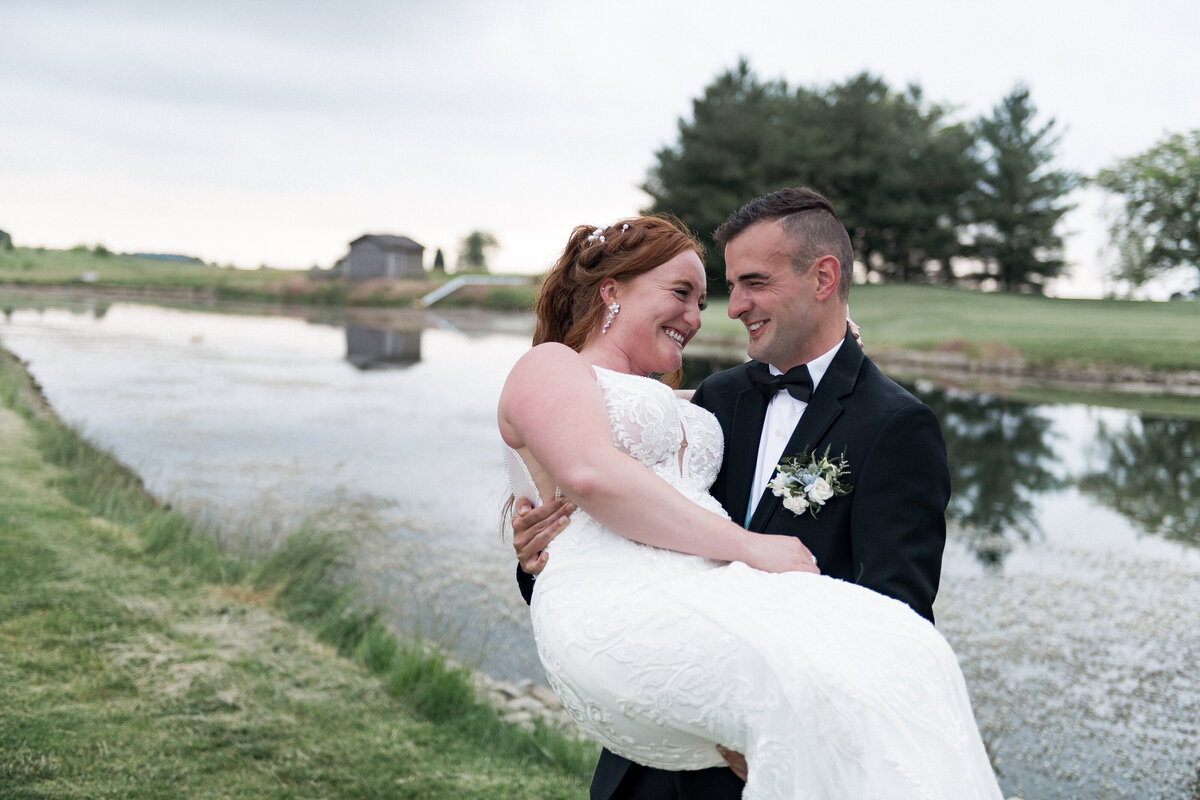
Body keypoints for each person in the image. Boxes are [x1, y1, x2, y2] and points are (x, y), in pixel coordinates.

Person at [499, 199, 1001, 799]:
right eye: (728, 287)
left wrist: (799, 721)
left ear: (823, 278)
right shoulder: (718, 397)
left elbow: (895, 606)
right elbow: (602, 484)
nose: (732, 308)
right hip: (650, 757)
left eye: (753, 283)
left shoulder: (895, 424)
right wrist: (538, 558)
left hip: (782, 749)